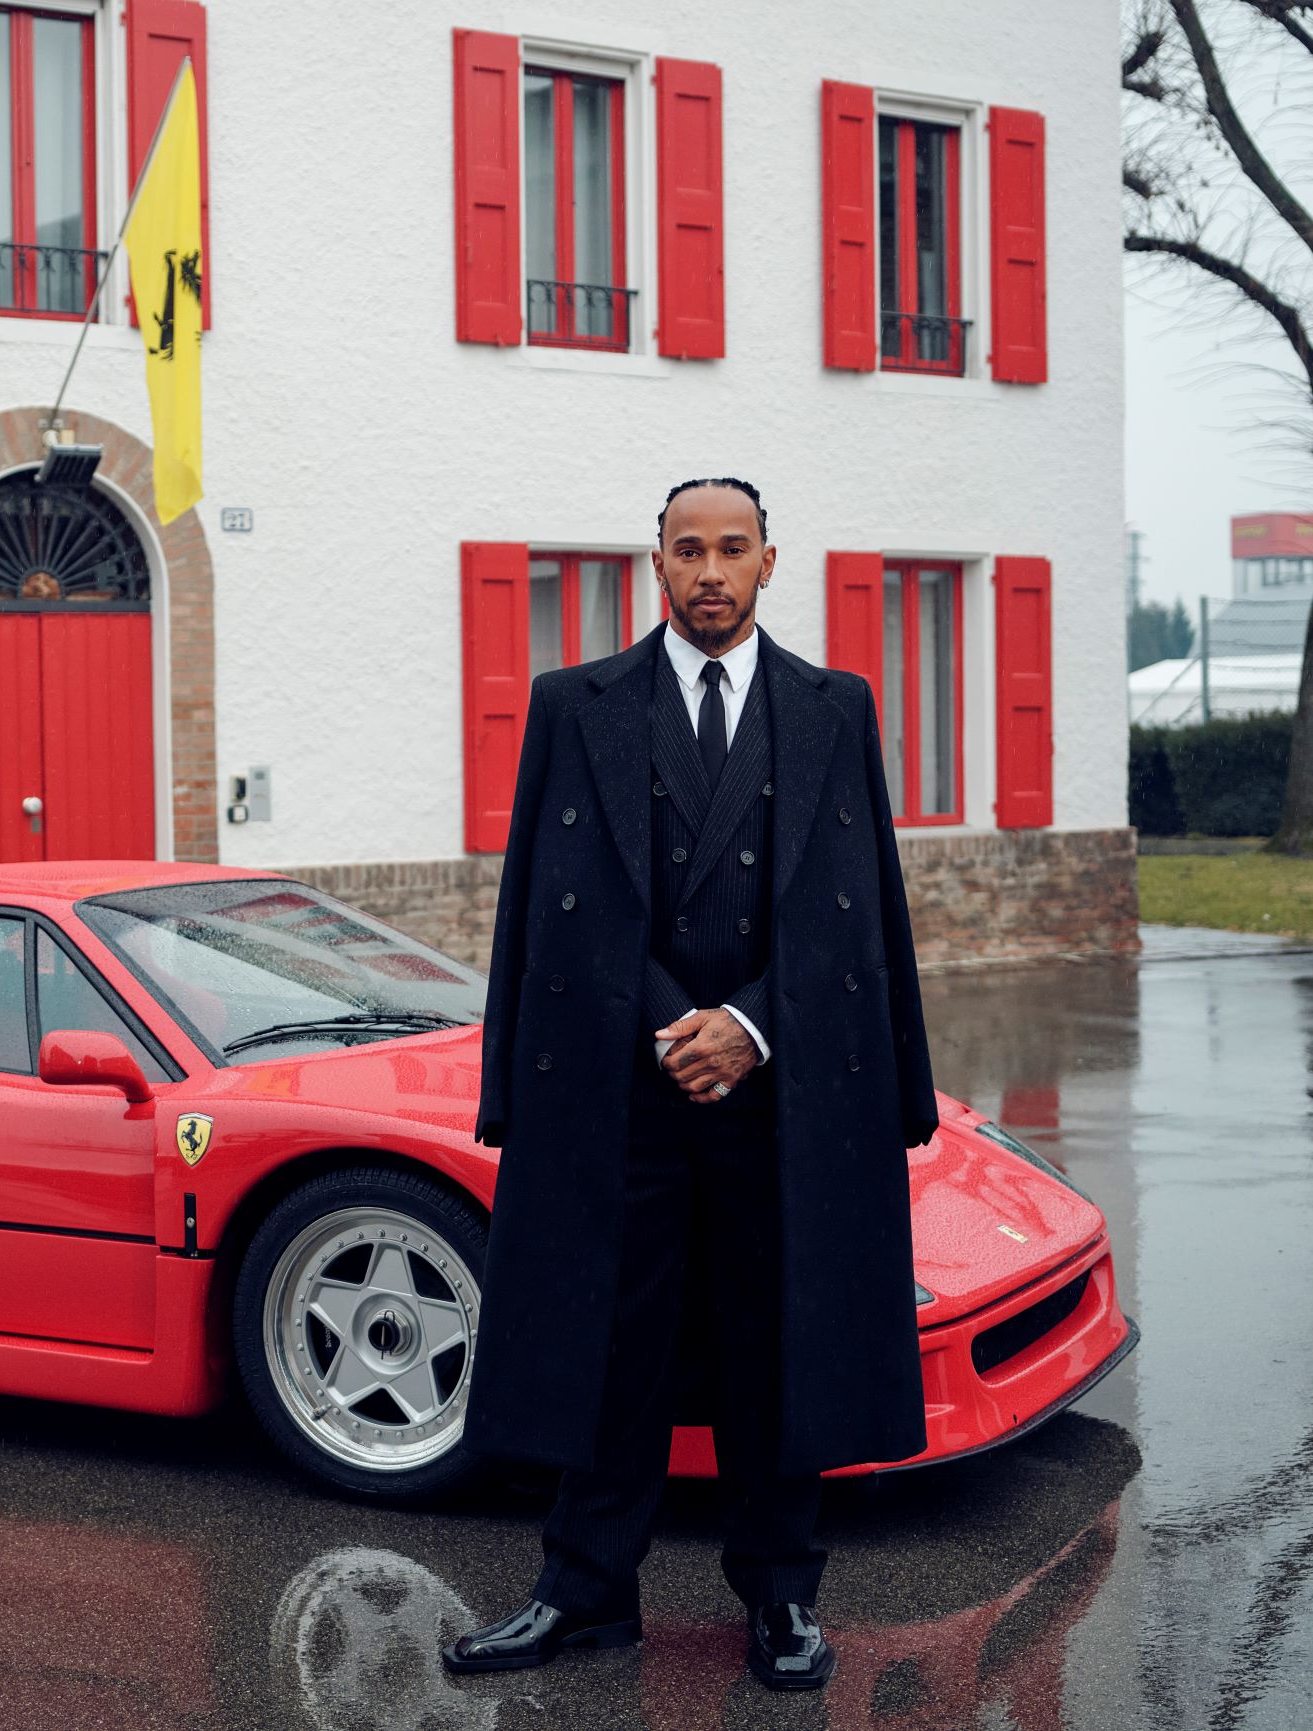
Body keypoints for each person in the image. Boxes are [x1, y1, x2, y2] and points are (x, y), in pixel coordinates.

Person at [443, 477, 939, 1693]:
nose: (707, 571)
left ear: (769, 561)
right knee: (607, 1340)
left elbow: (855, 912)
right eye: (685, 551)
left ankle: (778, 1597)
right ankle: (581, 1593)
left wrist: (751, 1026)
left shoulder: (834, 709)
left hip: (781, 1093)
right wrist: (676, 1021)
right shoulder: (576, 705)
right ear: (652, 566)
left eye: (730, 549)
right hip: (623, 1089)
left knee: (779, 1336)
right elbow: (545, 912)